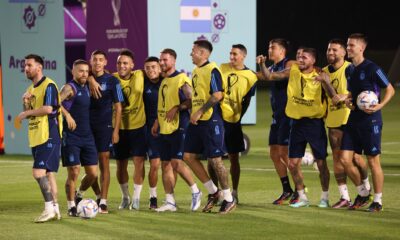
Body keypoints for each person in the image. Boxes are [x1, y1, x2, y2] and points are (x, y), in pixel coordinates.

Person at [258, 48, 333, 208]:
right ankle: (302, 197)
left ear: (313, 60)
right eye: (298, 56)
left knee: (321, 163)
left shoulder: (320, 75)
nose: (300, 59)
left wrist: (326, 82)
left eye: (304, 57)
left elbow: (333, 97)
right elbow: (270, 76)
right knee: (292, 164)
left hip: (315, 124)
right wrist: (263, 64)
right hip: (296, 124)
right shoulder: (292, 71)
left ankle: (325, 198)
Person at [340, 33, 395, 212]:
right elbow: (351, 93)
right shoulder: (349, 69)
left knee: (373, 161)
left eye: (352, 45)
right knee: (345, 159)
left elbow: (390, 89)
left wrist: (380, 105)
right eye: (347, 45)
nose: (348, 48)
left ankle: (377, 200)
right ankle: (363, 193)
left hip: (370, 121)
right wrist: (349, 100)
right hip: (353, 119)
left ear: (361, 48)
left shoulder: (372, 68)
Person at [183, 40, 236, 214]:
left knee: (215, 160)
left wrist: (200, 111)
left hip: (211, 120)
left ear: (203, 53)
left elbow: (218, 95)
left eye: (193, 51)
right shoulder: (197, 71)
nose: (191, 53)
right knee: (189, 156)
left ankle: (228, 198)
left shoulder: (212, 69)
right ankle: (214, 192)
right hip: (198, 122)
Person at [320, 39, 371, 208]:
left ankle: (365, 186)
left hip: (350, 119)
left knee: (355, 158)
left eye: (335, 50)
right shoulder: (324, 71)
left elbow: (345, 95)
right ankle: (345, 197)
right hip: (333, 120)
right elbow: (329, 98)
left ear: (343, 53)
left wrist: (342, 95)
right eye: (328, 50)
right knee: (337, 159)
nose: (330, 53)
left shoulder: (350, 69)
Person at [151, 48, 202, 212]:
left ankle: (196, 191)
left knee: (177, 163)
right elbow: (163, 105)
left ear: (173, 61)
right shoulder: (164, 81)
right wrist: (157, 122)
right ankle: (170, 201)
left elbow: (192, 100)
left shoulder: (181, 79)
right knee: (165, 165)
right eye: (161, 60)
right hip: (164, 127)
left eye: (165, 60)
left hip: (179, 126)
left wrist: (178, 107)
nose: (162, 62)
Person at [16, 54, 62, 222]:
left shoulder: (48, 85)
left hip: (48, 135)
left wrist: (25, 112)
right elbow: (32, 113)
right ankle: (56, 209)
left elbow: (48, 109)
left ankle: (48, 209)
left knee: (38, 172)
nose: (26, 68)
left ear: (39, 67)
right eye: (25, 65)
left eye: (29, 65)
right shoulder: (31, 89)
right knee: (48, 174)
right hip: (37, 135)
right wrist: (26, 103)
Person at [209, 44, 257, 204]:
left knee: (234, 157)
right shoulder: (221, 68)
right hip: (217, 118)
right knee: (212, 156)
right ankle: (215, 192)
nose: (232, 56)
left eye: (235, 54)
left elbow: (247, 99)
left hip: (233, 121)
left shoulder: (250, 76)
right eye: (230, 53)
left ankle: (234, 191)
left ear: (243, 56)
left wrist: (239, 115)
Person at [257, 39, 297, 205]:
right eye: (268, 47)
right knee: (274, 153)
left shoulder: (291, 63)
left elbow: (273, 76)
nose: (269, 50)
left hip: (289, 116)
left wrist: (262, 66)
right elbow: (260, 76)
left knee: (284, 153)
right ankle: (287, 190)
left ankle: (300, 189)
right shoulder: (272, 67)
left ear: (282, 51)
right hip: (277, 117)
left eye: (272, 47)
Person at [84, 50, 123, 213]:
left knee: (104, 161)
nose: (98, 62)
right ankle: (98, 195)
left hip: (104, 128)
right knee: (90, 166)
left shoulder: (113, 81)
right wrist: (90, 78)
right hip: (85, 127)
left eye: (101, 60)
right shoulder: (84, 78)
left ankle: (104, 201)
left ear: (106, 62)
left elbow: (119, 107)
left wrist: (116, 131)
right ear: (91, 62)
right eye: (95, 60)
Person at [59, 59, 98, 216]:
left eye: (86, 71)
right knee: (74, 171)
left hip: (87, 136)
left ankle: (79, 194)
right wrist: (67, 115)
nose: (84, 74)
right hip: (72, 136)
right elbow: (55, 102)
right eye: (80, 71)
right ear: (73, 72)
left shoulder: (87, 85)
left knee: (93, 174)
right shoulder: (69, 88)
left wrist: (91, 78)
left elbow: (102, 74)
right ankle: (71, 207)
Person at [143, 56, 163, 209]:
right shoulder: (142, 82)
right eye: (148, 68)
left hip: (170, 128)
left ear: (160, 68)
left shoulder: (167, 81)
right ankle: (153, 198)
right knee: (155, 164)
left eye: (153, 67)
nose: (151, 70)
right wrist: (90, 78)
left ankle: (170, 197)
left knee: (171, 164)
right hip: (151, 130)